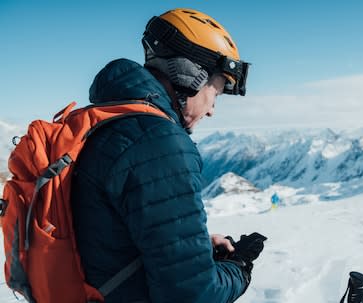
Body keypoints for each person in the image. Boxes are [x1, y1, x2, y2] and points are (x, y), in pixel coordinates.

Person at [71, 8, 264, 303]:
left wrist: (192, 249)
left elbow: (106, 238)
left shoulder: (105, 123)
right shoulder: (159, 143)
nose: (212, 109)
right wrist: (238, 269)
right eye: (216, 92)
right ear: (191, 75)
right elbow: (192, 295)